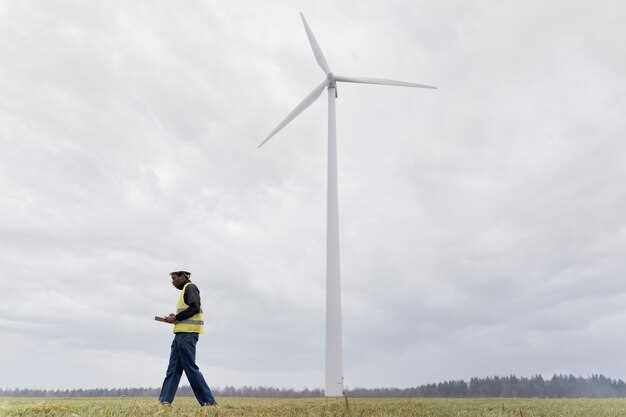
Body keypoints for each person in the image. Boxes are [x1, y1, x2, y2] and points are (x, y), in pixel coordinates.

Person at [158, 270, 217, 407]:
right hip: (180, 335)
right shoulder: (185, 290)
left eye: (174, 278)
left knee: (190, 368)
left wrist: (176, 318)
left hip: (187, 335)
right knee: (173, 369)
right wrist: (175, 317)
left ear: (183, 276)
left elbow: (195, 307)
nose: (172, 282)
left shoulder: (190, 287)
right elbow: (188, 311)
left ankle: (209, 402)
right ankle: (165, 402)